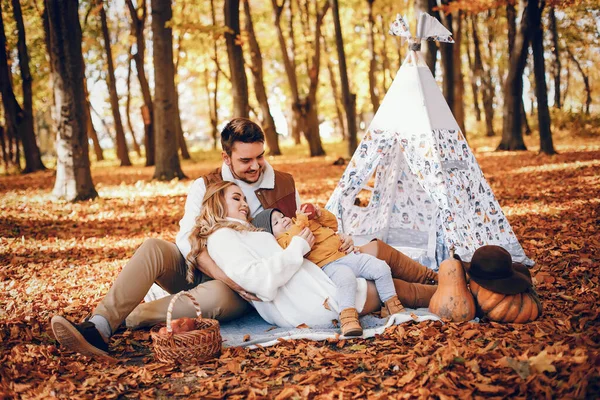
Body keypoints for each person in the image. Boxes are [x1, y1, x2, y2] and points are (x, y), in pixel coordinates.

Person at [50, 118, 305, 357]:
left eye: (260, 156)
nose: (255, 165)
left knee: (215, 296)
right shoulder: (205, 185)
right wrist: (220, 273)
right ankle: (99, 326)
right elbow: (185, 239)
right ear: (226, 158)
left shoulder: (284, 185)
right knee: (153, 248)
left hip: (244, 286)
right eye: (246, 160)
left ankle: (130, 317)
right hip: (203, 268)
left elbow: (299, 229)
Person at [186, 181, 438, 331]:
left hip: (314, 286)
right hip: (311, 300)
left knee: (379, 265)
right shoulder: (222, 237)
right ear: (216, 203)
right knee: (393, 287)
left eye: (244, 198)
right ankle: (454, 289)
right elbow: (258, 281)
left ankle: (443, 282)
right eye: (236, 198)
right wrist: (298, 247)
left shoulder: (237, 232)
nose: (245, 204)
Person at [250, 206, 404, 336]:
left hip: (348, 255)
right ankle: (348, 318)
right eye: (276, 222)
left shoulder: (305, 222)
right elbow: (297, 239)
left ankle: (392, 305)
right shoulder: (283, 241)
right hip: (329, 265)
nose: (283, 219)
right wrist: (302, 220)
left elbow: (333, 225)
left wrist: (319, 213)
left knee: (381, 267)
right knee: (346, 280)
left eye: (282, 216)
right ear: (271, 234)